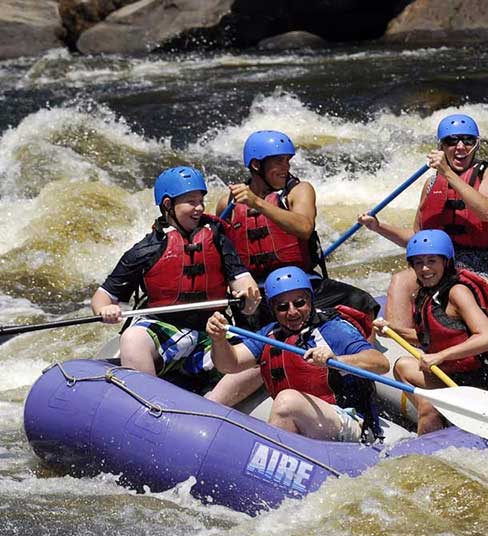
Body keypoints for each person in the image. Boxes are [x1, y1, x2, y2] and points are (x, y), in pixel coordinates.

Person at [210, 130, 380, 404]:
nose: (286, 167)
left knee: (361, 303)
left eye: (288, 161)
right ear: (257, 166)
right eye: (278, 162)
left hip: (302, 285)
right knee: (257, 341)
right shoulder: (227, 203)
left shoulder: (298, 190)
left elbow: (303, 227)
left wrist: (258, 204)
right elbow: (221, 251)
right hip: (257, 292)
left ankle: (362, 375)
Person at [91, 166, 260, 391]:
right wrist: (104, 311)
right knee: (132, 339)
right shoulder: (146, 250)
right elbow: (102, 297)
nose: (199, 208)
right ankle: (148, 406)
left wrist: (248, 297)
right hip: (164, 328)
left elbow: (244, 283)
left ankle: (214, 406)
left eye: (201, 201)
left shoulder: (218, 240)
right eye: (191, 202)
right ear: (168, 205)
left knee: (257, 362)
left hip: (211, 330)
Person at [358, 113, 488, 329]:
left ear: (476, 144)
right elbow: (418, 239)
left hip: (483, 265)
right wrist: (378, 227)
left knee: (455, 291)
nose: (460, 147)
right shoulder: (433, 183)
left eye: (467, 140)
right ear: (442, 146)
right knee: (401, 281)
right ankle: (403, 351)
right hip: (438, 262)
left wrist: (447, 172)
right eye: (451, 141)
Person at [206, 266, 388, 442]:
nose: (292, 312)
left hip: (354, 423)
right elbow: (230, 364)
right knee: (287, 402)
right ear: (272, 309)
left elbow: (380, 363)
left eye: (299, 303)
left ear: (310, 300)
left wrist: (336, 359)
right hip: (309, 422)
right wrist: (219, 340)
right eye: (283, 307)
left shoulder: (333, 329)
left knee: (287, 401)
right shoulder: (271, 334)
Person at [382, 230, 488, 435]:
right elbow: (431, 337)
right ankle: (438, 420)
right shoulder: (425, 293)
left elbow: (487, 338)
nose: (425, 268)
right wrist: (393, 330)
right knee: (403, 366)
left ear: (446, 262)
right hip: (454, 380)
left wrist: (441, 356)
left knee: (429, 405)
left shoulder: (457, 292)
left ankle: (431, 428)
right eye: (418, 262)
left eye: (431, 261)